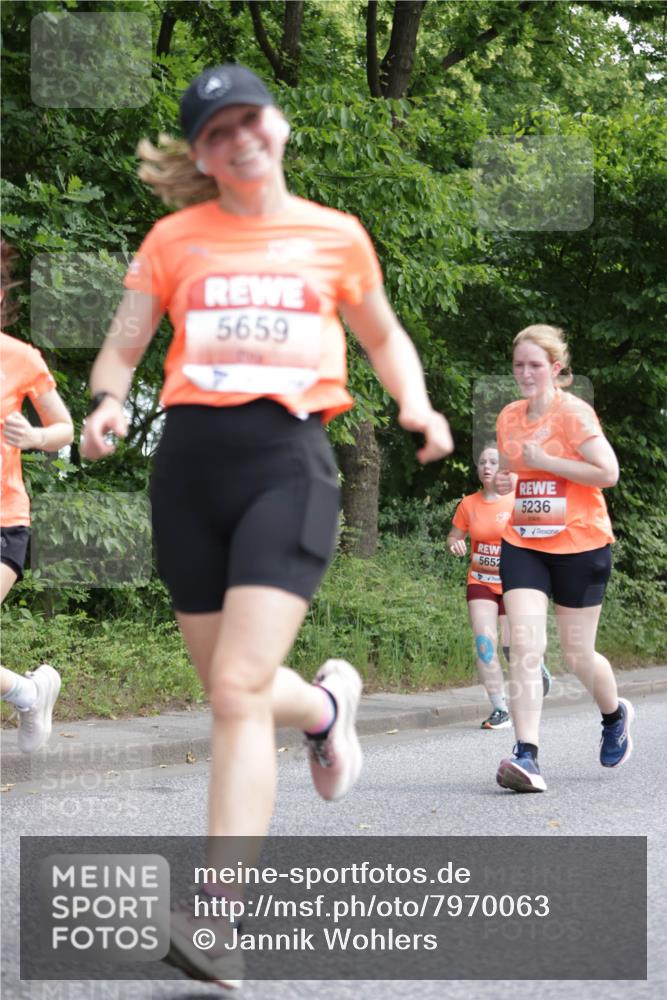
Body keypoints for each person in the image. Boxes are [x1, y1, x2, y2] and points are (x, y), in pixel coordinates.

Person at [80, 63, 453, 986]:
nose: (238, 135)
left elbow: (382, 335)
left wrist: (416, 403)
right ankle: (328, 708)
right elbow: (125, 344)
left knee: (239, 690)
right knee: (230, 690)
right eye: (217, 130)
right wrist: (104, 404)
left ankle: (216, 918)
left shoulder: (335, 236)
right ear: (203, 155)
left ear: (277, 125)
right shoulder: (173, 238)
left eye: (250, 117)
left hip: (286, 464)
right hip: (187, 473)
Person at [494, 324, 631, 793]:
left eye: (535, 365)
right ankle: (526, 755)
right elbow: (515, 475)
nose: (526, 373)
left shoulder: (574, 414)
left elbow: (607, 472)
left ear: (555, 369)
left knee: (577, 655)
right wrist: (506, 485)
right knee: (526, 647)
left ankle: (614, 715)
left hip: (580, 544)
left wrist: (549, 462)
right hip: (525, 542)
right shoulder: (509, 416)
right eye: (519, 365)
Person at [0, 239, 74, 752]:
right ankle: (29, 692)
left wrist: (34, 438)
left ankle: (28, 693)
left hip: (4, 519)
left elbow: (65, 426)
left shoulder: (20, 358)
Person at [447, 443, 551, 730]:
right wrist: (455, 543)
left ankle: (535, 667)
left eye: (493, 462)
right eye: (482, 462)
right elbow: (454, 536)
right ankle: (500, 709)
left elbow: (540, 534)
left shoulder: (518, 500)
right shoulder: (468, 504)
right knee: (484, 642)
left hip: (513, 583)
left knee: (512, 646)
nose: (486, 467)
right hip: (480, 581)